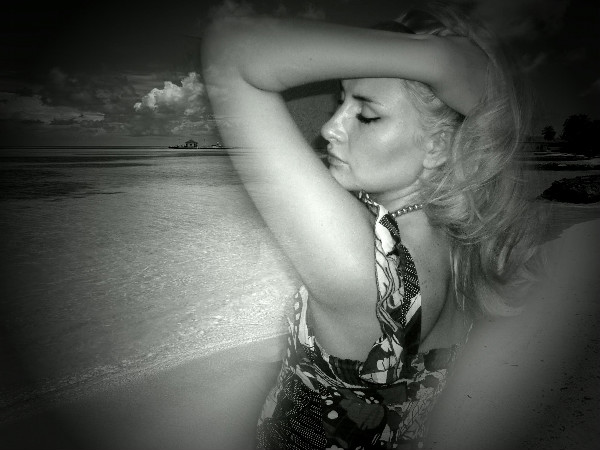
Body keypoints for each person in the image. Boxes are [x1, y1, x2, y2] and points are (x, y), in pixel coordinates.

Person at [201, 2, 542, 448]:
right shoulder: (463, 244)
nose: (329, 128)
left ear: (439, 147)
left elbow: (231, 55)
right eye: (340, 101)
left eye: (366, 114)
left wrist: (442, 59)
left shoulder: (364, 270)